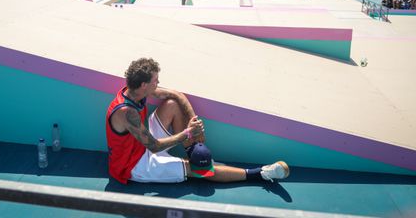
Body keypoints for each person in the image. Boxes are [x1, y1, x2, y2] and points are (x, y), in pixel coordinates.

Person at [106, 58, 289, 185]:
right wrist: (187, 133)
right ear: (144, 85)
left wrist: (195, 124)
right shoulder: (126, 112)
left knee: (172, 104)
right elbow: (154, 146)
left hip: (141, 145)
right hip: (134, 165)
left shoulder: (137, 90)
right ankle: (261, 174)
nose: (158, 83)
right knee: (201, 169)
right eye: (155, 81)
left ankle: (192, 150)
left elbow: (176, 95)